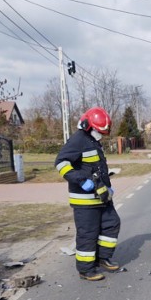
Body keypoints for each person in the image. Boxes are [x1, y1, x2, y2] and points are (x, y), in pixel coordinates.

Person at [55, 107, 120, 281]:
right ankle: (86, 269)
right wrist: (80, 179)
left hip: (102, 196)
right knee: (88, 233)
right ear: (87, 125)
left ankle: (103, 257)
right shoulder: (78, 140)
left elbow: (97, 168)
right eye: (99, 131)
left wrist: (107, 187)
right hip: (85, 199)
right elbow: (61, 163)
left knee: (112, 224)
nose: (101, 134)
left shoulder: (92, 140)